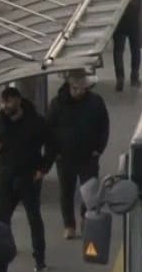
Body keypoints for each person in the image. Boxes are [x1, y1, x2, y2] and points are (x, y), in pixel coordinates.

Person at [0, 86, 52, 272]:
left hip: (28, 177)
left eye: (8, 102)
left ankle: (40, 258)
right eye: (3, 102)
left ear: (18, 101)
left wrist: (43, 169)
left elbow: (51, 144)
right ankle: (2, 260)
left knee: (34, 218)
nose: (5, 106)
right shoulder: (0, 120)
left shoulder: (35, 122)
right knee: (2, 220)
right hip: (6, 176)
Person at [46, 70, 110, 240]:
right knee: (66, 191)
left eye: (83, 88)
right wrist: (54, 153)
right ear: (69, 87)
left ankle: (85, 218)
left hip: (89, 155)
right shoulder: (57, 104)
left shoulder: (95, 102)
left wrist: (99, 148)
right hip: (65, 156)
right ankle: (69, 225)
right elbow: (49, 130)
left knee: (89, 192)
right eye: (76, 88)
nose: (80, 92)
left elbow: (103, 125)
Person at [111, 0, 141, 91]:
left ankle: (120, 78)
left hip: (119, 22)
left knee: (118, 52)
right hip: (134, 22)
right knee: (135, 50)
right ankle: (134, 78)